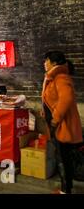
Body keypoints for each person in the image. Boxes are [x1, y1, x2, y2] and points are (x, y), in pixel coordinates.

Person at [42, 51, 83, 194]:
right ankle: (66, 188)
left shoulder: (60, 77)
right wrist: (45, 111)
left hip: (61, 125)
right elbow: (53, 99)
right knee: (62, 156)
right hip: (57, 125)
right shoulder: (53, 77)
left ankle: (66, 190)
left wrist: (55, 119)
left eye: (46, 60)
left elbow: (66, 99)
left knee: (62, 158)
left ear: (54, 63)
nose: (44, 63)